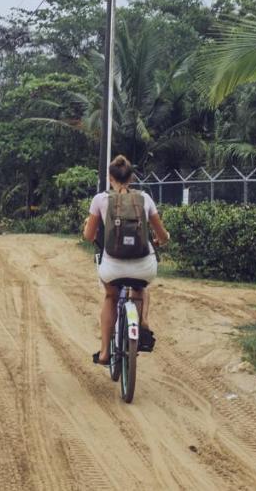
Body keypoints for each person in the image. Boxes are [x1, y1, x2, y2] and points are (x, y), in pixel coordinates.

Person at [82, 155, 170, 366]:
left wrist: (95, 237)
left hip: (113, 266)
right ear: (131, 178)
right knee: (141, 288)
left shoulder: (100, 200)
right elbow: (162, 235)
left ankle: (104, 353)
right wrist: (161, 240)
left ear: (109, 177)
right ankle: (143, 322)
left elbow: (88, 235)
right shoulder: (145, 199)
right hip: (144, 266)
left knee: (111, 297)